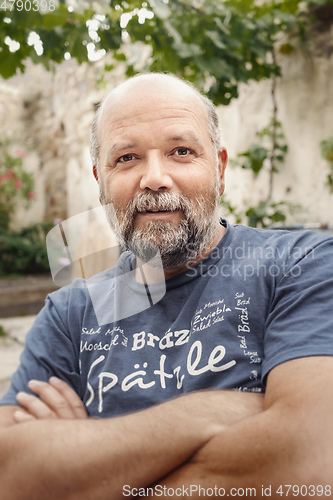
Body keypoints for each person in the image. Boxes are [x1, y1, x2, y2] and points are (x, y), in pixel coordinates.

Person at [0, 72, 333, 499]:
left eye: (181, 151)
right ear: (100, 181)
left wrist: (89, 466)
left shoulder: (300, 266)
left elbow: (310, 462)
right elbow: (11, 475)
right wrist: (206, 413)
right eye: (127, 158)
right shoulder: (70, 313)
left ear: (219, 167)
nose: (154, 178)